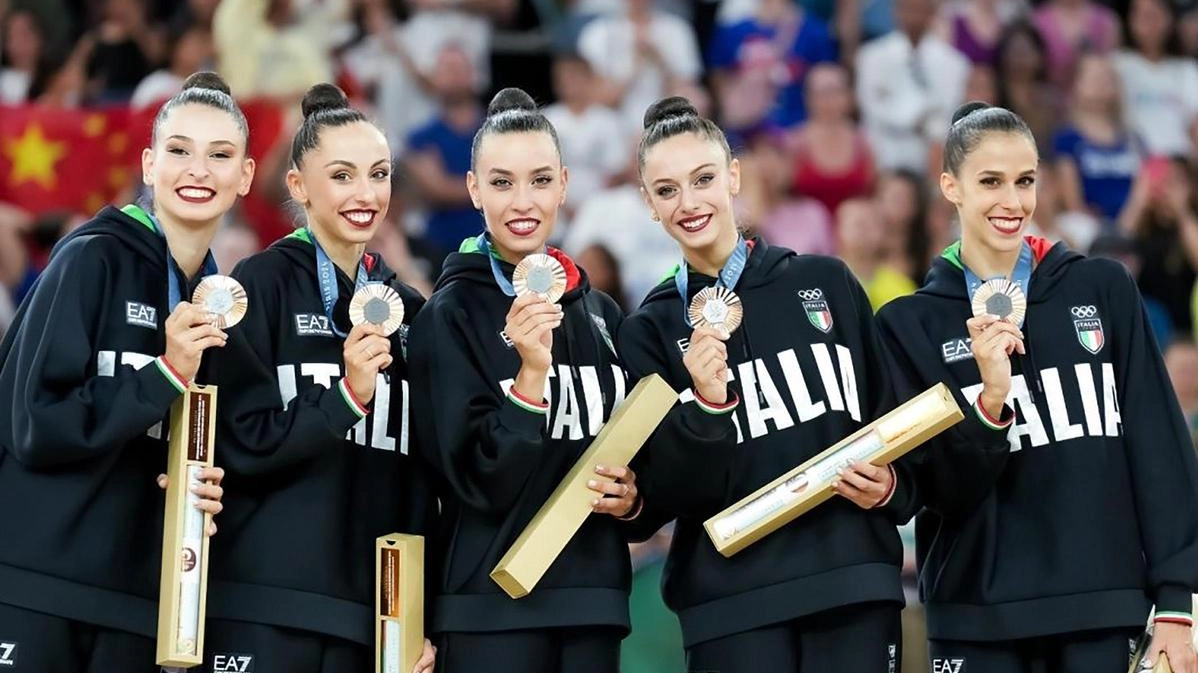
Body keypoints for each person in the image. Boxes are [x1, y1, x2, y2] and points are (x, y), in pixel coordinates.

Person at [876, 101, 1198, 673]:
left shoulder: (1102, 286)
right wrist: (990, 405)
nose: (1012, 202)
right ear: (950, 185)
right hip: (977, 616)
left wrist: (1177, 601)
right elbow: (938, 490)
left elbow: (1157, 444)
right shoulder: (909, 325)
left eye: (1024, 180)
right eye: (990, 182)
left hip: (1102, 607)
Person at [617, 95, 908, 673]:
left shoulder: (826, 281)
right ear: (649, 204)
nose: (690, 202)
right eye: (668, 189)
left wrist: (895, 487)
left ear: (733, 175)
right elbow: (656, 496)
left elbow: (891, 419)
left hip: (850, 583)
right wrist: (705, 407)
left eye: (703, 179)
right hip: (730, 604)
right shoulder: (648, 330)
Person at [0, 71, 239, 670]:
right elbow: (34, 423)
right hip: (38, 585)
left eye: (220, 155)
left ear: (246, 177)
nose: (199, 170)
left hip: (140, 600)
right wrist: (162, 375)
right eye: (180, 151)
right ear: (149, 164)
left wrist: (203, 483)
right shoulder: (91, 258)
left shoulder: (219, 301)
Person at [408, 87, 643, 673]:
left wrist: (635, 496)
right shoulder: (449, 314)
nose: (523, 201)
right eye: (502, 182)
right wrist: (531, 376)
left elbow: (627, 450)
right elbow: (477, 480)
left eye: (539, 181)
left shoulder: (601, 312)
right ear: (473, 189)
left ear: (564, 184)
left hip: (593, 601)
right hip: (489, 610)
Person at [205, 83, 436, 673]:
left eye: (379, 174)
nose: (366, 194)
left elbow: (429, 475)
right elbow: (237, 441)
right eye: (342, 175)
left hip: (375, 616)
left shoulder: (408, 308)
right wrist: (345, 396)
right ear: (299, 186)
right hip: (265, 602)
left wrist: (418, 617)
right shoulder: (259, 286)